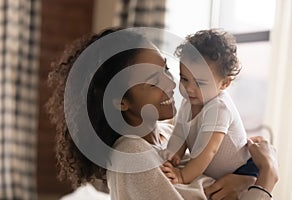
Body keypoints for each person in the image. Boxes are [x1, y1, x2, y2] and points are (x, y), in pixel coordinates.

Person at [46, 27, 278, 200]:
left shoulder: (169, 134)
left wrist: (247, 178)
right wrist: (266, 176)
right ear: (122, 102)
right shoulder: (131, 155)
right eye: (151, 80)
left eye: (166, 69)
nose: (170, 83)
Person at [162, 29, 259, 186]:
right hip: (214, 172)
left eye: (200, 83)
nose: (189, 89)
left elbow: (207, 151)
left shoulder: (219, 107)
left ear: (224, 83)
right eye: (184, 79)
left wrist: (182, 175)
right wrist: (171, 157)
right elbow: (180, 135)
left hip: (242, 170)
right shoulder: (187, 103)